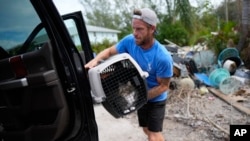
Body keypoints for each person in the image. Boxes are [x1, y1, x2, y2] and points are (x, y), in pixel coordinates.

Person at [85, 8, 173, 141]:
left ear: (152, 29)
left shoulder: (162, 57)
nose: (135, 33)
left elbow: (164, 86)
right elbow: (109, 52)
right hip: (141, 96)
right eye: (134, 28)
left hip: (156, 99)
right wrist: (95, 60)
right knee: (146, 129)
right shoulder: (129, 41)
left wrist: (143, 97)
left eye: (140, 29)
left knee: (154, 135)